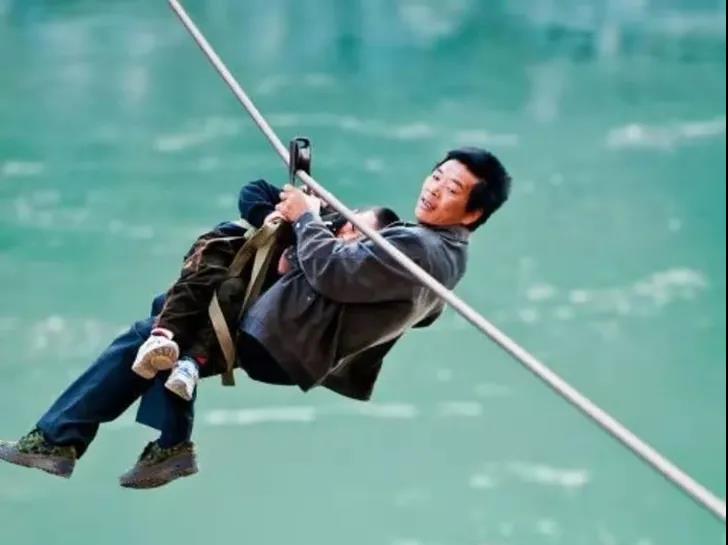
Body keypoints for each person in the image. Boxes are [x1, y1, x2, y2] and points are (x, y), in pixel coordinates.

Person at [0, 146, 511, 490]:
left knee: (158, 329)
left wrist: (307, 220)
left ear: (473, 213)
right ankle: (149, 445)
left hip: (281, 338)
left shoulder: (421, 250)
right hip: (294, 339)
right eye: (436, 176)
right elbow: (420, 315)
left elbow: (335, 273)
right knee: (166, 326)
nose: (434, 189)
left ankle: (71, 441)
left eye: (452, 189)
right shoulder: (447, 260)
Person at [132, 179, 399, 401]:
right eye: (352, 227)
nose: (347, 237)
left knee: (218, 307)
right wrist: (272, 216)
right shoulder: (320, 212)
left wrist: (304, 228)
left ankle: (186, 367)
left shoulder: (340, 266)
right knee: (172, 305)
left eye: (359, 242)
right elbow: (254, 190)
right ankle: (164, 339)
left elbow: (286, 267)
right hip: (226, 256)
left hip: (253, 311)